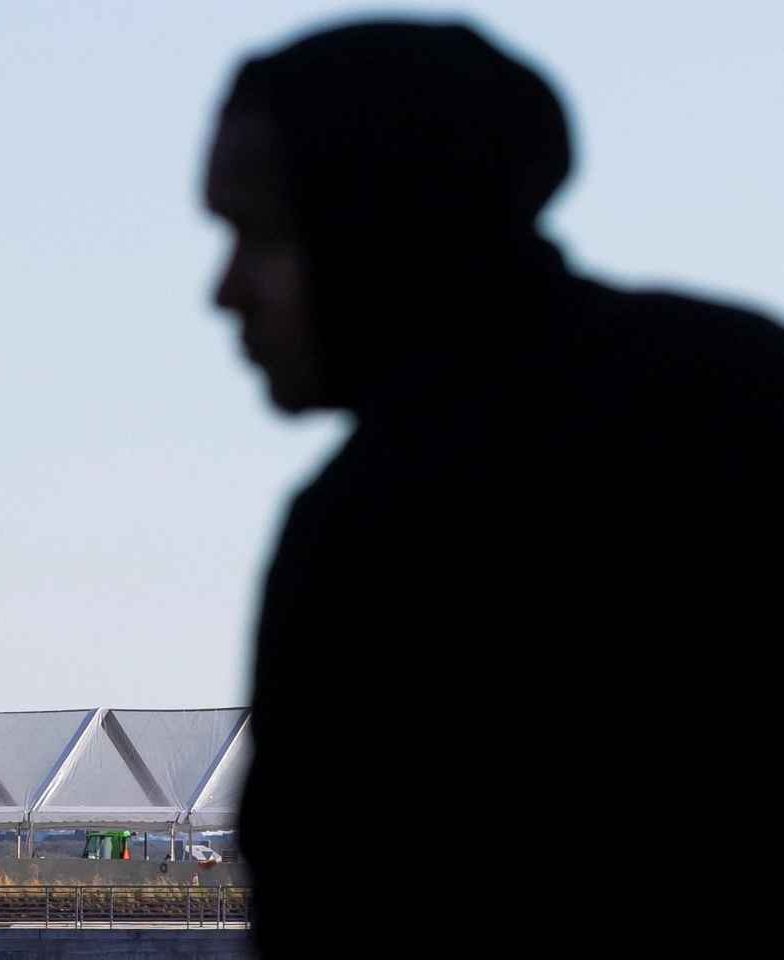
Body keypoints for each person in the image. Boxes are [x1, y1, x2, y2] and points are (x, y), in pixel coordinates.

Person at [203, 19, 784, 956]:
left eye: (260, 234)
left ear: (371, 222)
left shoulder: (369, 533)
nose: (225, 292)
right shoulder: (743, 384)